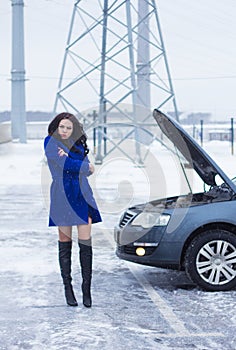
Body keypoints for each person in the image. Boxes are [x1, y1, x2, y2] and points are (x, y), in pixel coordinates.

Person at [44, 112, 102, 308]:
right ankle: (68, 289)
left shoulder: (78, 145)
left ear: (73, 129)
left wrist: (77, 162)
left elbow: (78, 165)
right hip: (61, 195)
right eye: (62, 127)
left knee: (85, 243)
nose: (65, 131)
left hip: (81, 194)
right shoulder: (50, 143)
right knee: (65, 242)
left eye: (69, 128)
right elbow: (69, 165)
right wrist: (84, 166)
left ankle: (87, 290)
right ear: (56, 127)